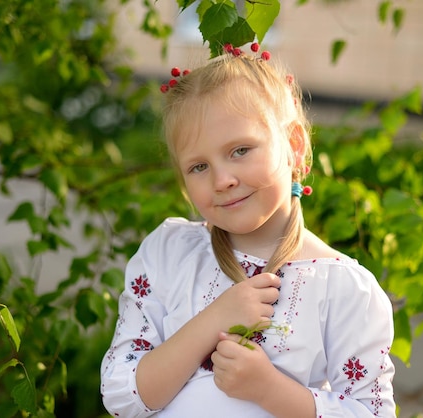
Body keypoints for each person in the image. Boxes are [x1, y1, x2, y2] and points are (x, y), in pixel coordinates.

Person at [100, 43, 395, 417]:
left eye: (240, 150)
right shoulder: (169, 254)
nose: (222, 180)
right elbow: (123, 396)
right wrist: (215, 318)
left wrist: (269, 390)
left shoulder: (344, 290)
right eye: (199, 167)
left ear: (293, 146)